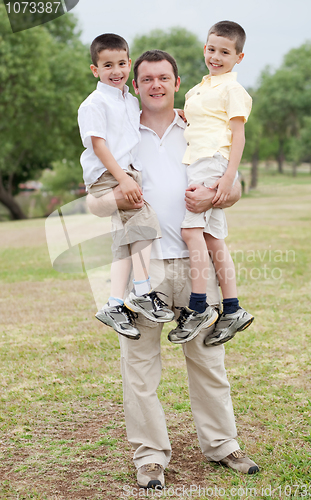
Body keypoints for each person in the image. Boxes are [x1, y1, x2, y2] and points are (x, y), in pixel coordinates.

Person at [87, 49, 259, 489]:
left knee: (207, 360)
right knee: (139, 368)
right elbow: (93, 202)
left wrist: (216, 196)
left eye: (164, 77)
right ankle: (150, 457)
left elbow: (233, 187)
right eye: (147, 80)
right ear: (135, 85)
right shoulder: (120, 133)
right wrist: (116, 199)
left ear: (178, 82)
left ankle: (222, 445)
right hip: (144, 268)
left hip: (193, 263)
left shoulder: (198, 126)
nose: (156, 85)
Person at [78, 34, 174, 340]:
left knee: (125, 238)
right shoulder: (95, 103)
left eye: (121, 63)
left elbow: (142, 122)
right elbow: (99, 145)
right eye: (107, 65)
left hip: (127, 172)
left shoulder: (129, 101)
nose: (116, 70)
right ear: (95, 70)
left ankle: (114, 303)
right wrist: (122, 179)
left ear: (128, 63)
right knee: (146, 223)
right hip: (110, 174)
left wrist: (180, 113)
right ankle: (142, 292)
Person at [169, 21, 254, 347]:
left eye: (224, 52)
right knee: (212, 238)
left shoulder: (233, 90)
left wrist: (227, 179)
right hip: (200, 162)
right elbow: (202, 119)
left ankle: (200, 306)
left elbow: (237, 135)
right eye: (211, 49)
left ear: (239, 57)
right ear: (205, 48)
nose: (215, 56)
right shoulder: (199, 89)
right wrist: (182, 114)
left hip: (212, 163)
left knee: (190, 232)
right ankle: (232, 309)